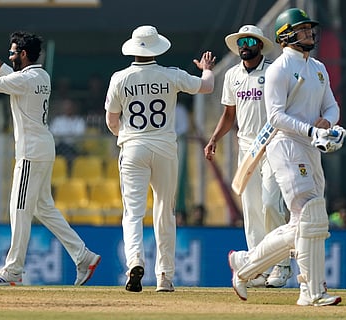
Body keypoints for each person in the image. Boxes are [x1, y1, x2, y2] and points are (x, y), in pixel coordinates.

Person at [0, 23, 100, 286]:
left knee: (19, 210)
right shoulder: (41, 77)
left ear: (24, 55)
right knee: (44, 208)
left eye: (13, 52)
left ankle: (13, 270)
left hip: (30, 153)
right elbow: (8, 75)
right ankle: (83, 256)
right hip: (43, 148)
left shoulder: (25, 80)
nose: (11, 56)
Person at [228, 8, 346, 306]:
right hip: (285, 145)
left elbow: (331, 106)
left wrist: (328, 125)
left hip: (309, 146)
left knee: (306, 222)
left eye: (309, 29)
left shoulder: (318, 68)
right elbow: (277, 116)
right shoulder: (279, 69)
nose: (310, 33)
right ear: (287, 35)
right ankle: (311, 291)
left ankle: (246, 265)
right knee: (310, 213)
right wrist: (311, 130)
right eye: (304, 29)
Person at [104, 25, 215, 292]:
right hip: (165, 148)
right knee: (165, 211)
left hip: (132, 148)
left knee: (133, 213)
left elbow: (111, 120)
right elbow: (207, 87)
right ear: (157, 47)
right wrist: (207, 68)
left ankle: (134, 264)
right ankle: (164, 276)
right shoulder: (171, 75)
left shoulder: (119, 78)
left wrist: (129, 136)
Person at [204, 25, 291, 288]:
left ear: (260, 45)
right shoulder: (232, 75)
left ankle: (282, 264)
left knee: (269, 203)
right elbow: (229, 115)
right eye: (241, 41)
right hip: (246, 148)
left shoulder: (274, 70)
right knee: (252, 210)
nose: (245, 45)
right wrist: (213, 139)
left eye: (250, 41)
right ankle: (259, 268)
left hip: (273, 144)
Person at [49, 98, 86, 170]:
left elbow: (79, 136)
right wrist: (68, 136)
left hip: (73, 147)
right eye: (66, 108)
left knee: (70, 152)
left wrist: (64, 137)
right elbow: (53, 134)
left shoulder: (79, 121)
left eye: (70, 107)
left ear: (73, 108)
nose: (68, 109)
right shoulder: (58, 120)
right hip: (59, 147)